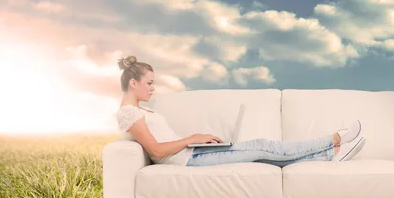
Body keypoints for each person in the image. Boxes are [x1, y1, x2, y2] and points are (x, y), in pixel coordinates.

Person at [116, 55, 367, 167]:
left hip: (192, 153)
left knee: (265, 156)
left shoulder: (142, 110)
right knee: (263, 146)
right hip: (188, 159)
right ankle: (334, 138)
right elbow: (156, 150)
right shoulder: (128, 113)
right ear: (133, 83)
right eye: (149, 83)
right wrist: (192, 139)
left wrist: (195, 141)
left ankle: (330, 155)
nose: (153, 88)